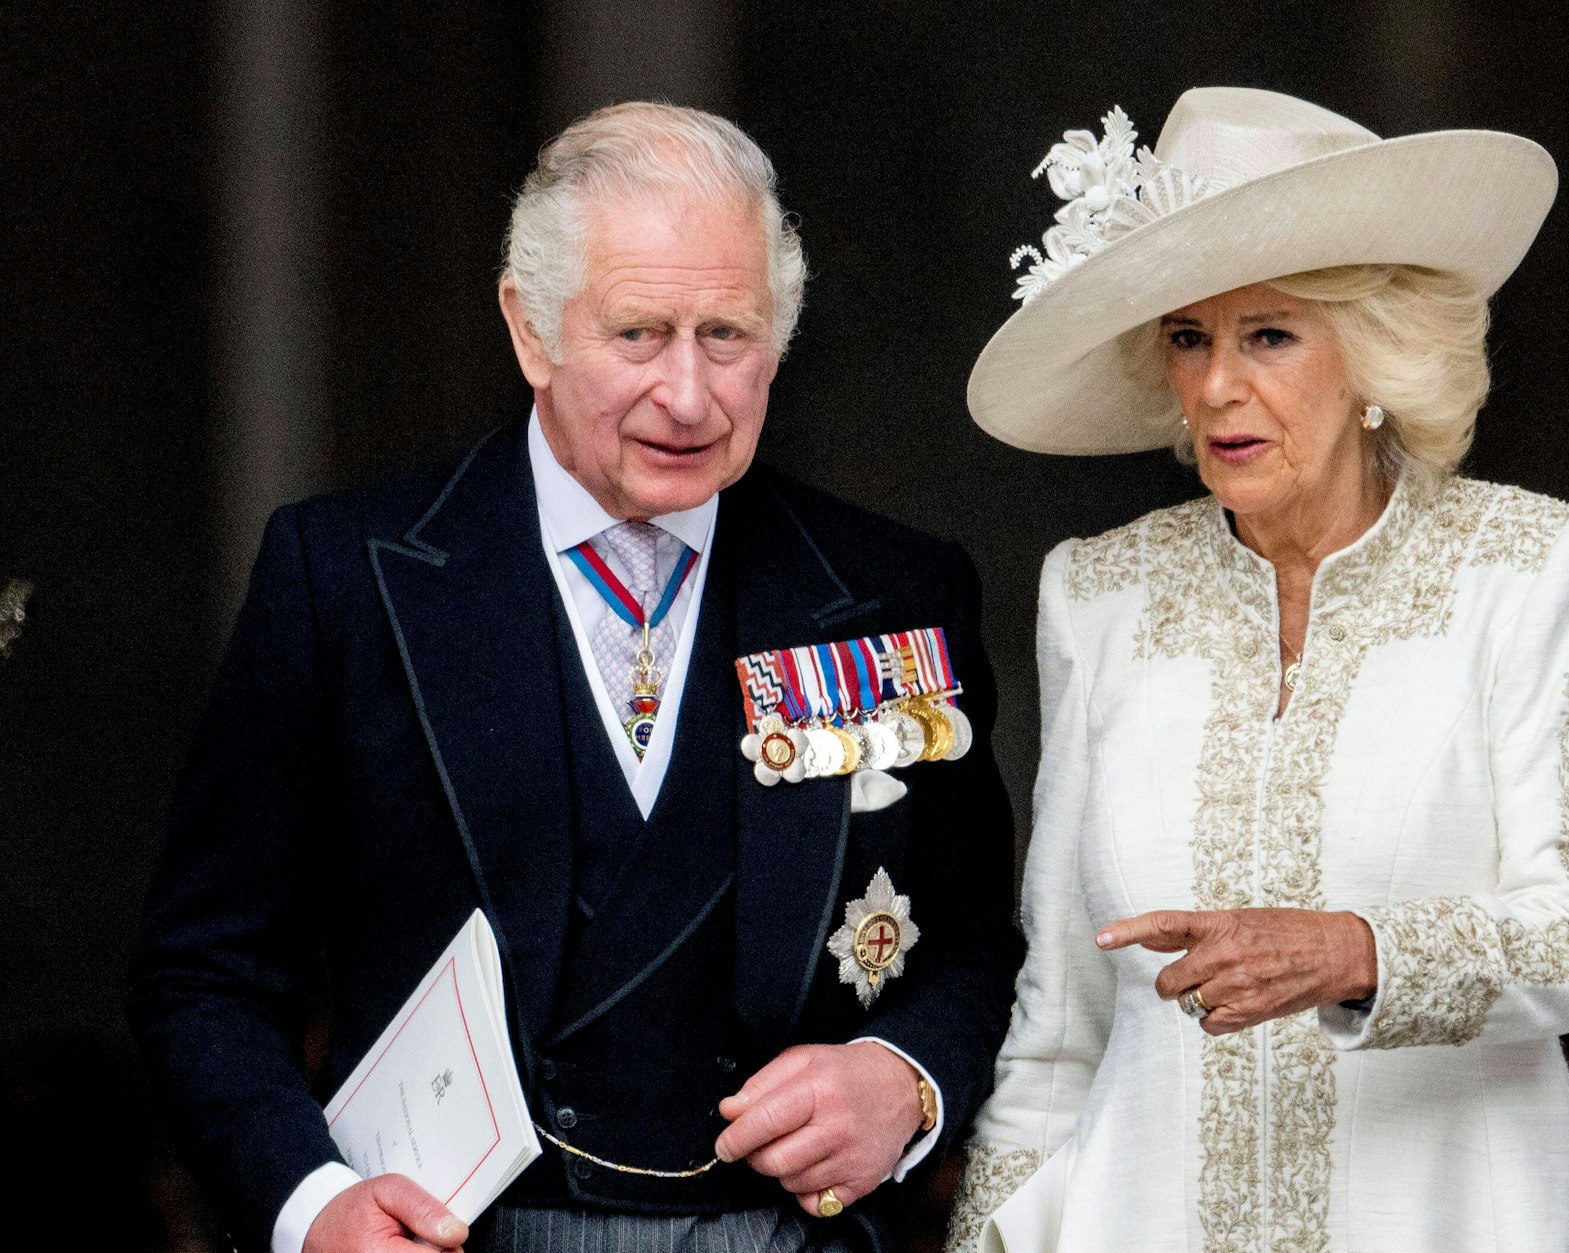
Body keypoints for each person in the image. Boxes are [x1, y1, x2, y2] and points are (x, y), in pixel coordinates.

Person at [129, 102, 1020, 1253]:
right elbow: (203, 970)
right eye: (639, 334)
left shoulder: (891, 589)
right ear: (529, 328)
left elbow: (974, 945)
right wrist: (313, 1205)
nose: (688, 395)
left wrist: (907, 1082)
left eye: (727, 335)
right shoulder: (350, 578)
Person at [947, 88, 1569, 1251]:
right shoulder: (1096, 592)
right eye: (1186, 336)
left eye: (1266, 333)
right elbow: (1060, 1013)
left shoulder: (1536, 568)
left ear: (1372, 350)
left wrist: (1355, 949)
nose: (1216, 385)